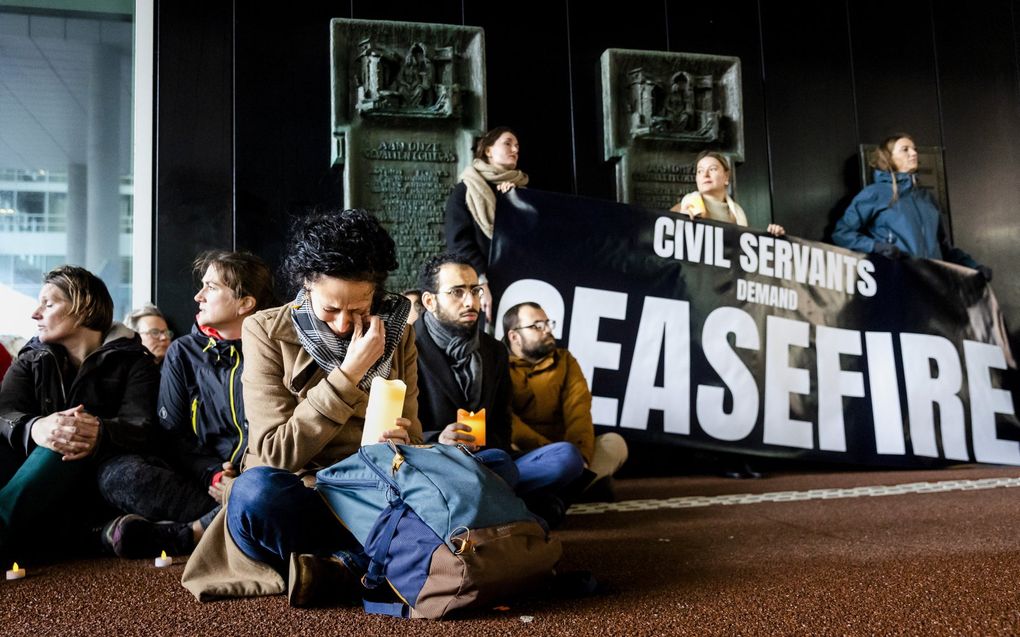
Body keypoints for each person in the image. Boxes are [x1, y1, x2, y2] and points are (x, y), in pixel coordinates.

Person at [182, 209, 421, 605]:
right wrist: (348, 375)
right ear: (306, 286)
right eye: (331, 309)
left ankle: (343, 568)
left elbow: (414, 438)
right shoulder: (265, 329)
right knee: (255, 492)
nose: (345, 324)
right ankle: (372, 564)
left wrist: (403, 443)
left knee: (492, 466)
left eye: (360, 310)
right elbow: (275, 453)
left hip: (374, 495)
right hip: (302, 498)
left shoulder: (398, 331)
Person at [98, 251, 276, 559]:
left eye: (212, 287)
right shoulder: (183, 352)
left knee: (276, 491)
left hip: (260, 479)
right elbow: (171, 436)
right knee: (118, 475)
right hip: (204, 484)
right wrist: (213, 474)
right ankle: (233, 524)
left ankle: (188, 535)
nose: (198, 296)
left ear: (245, 303)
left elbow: (286, 432)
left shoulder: (275, 349)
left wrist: (244, 480)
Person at [0, 266, 159, 564]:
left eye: (48, 304)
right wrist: (36, 427)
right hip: (26, 472)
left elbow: (145, 427)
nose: (36, 313)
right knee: (53, 435)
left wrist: (97, 431)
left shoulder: (135, 361)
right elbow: (3, 412)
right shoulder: (31, 358)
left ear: (83, 307)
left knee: (66, 438)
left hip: (92, 478)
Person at [414, 253, 584, 526]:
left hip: (489, 462)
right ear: (430, 301)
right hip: (435, 466)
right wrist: (438, 439)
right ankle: (521, 506)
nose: (471, 301)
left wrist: (490, 451)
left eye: (475, 290)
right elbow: (391, 431)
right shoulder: (406, 347)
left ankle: (496, 503)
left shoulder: (493, 350)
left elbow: (502, 424)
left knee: (566, 458)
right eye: (456, 292)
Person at [503, 302, 629, 501]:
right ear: (514, 337)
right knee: (504, 453)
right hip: (528, 453)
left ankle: (557, 492)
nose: (547, 330)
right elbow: (508, 421)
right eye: (537, 326)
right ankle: (581, 487)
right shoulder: (498, 364)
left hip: (570, 453)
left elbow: (579, 410)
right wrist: (556, 453)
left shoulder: (565, 361)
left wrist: (581, 457)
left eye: (547, 323)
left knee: (615, 443)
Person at [832, 133, 991, 279]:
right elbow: (842, 233)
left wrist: (974, 267)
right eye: (905, 150)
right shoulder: (875, 193)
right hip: (896, 282)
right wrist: (876, 247)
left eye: (914, 149)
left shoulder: (926, 198)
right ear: (889, 158)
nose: (914, 153)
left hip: (932, 286)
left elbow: (944, 248)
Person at [444, 126, 529, 325]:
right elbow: (459, 242)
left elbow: (528, 239)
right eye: (507, 143)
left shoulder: (519, 192)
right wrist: (480, 284)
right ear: (488, 150)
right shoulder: (466, 190)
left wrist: (511, 200)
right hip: (481, 286)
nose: (515, 150)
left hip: (520, 282)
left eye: (517, 146)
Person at [672, 151, 785, 237]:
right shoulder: (682, 208)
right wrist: (676, 222)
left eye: (712, 169)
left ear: (726, 176)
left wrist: (773, 237)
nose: (705, 175)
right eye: (700, 171)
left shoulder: (738, 214)